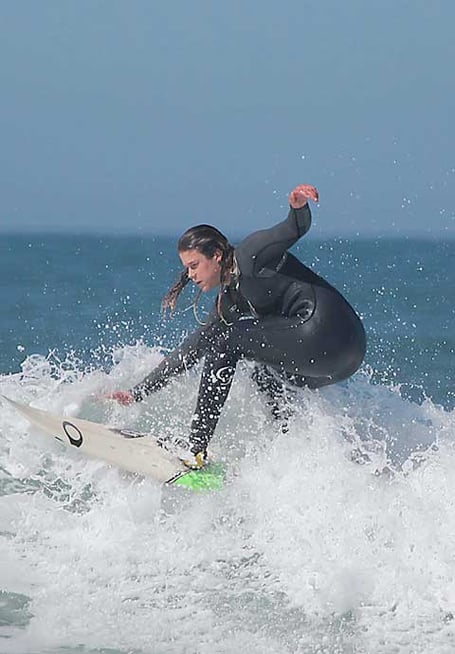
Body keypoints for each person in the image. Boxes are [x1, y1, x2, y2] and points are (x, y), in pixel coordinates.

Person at [110, 184, 366, 468]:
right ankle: (294, 454)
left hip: (327, 331)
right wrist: (137, 392)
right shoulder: (230, 301)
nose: (191, 275)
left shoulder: (251, 254)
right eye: (187, 268)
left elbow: (294, 229)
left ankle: (196, 449)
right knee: (266, 376)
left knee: (227, 342)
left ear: (216, 255)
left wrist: (298, 206)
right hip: (343, 359)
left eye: (194, 265)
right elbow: (193, 349)